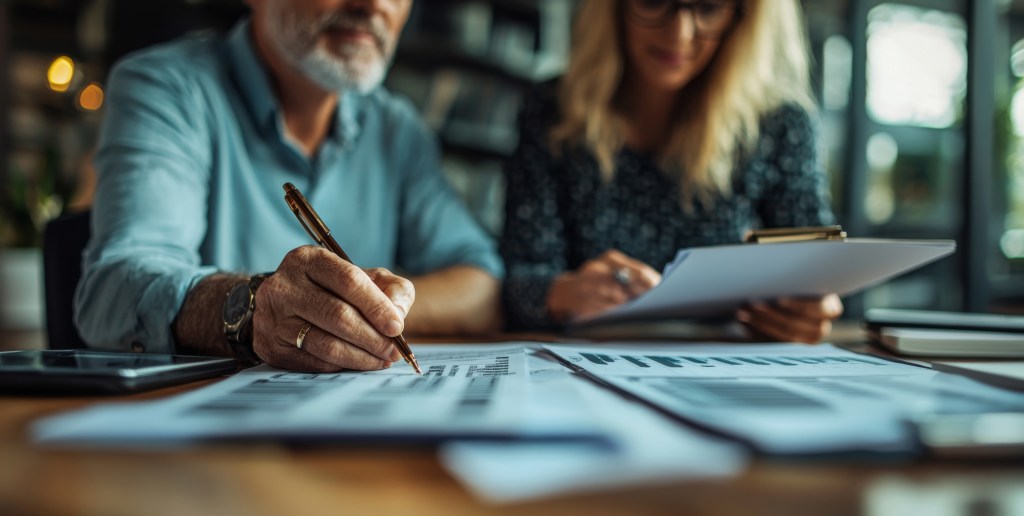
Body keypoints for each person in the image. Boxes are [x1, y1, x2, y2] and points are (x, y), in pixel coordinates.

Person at [75, 0, 503, 372]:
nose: (373, 4)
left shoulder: (398, 129)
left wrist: (360, 314)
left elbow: (481, 285)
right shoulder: (163, 88)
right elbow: (114, 290)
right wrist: (253, 308)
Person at [501, 0, 843, 342]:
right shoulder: (553, 110)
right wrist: (562, 293)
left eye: (708, 8)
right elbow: (516, 280)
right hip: (580, 358)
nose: (679, 34)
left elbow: (814, 268)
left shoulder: (780, 124)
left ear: (743, 20)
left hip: (729, 361)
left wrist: (809, 311)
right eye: (655, 2)